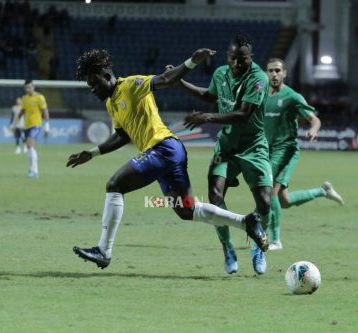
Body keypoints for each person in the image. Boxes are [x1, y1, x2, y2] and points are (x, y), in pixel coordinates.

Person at [67, 48, 268, 270]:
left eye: (94, 82)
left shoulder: (131, 85)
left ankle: (104, 250)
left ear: (106, 75)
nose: (93, 89)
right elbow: (123, 136)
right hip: (168, 153)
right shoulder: (110, 103)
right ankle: (246, 222)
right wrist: (92, 153)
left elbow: (164, 79)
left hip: (164, 148)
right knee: (186, 210)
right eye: (89, 86)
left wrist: (192, 61)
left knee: (115, 185)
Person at [168, 33, 273, 275]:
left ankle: (258, 244)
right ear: (228, 56)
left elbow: (243, 114)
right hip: (226, 146)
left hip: (253, 147)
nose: (237, 64)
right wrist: (180, 83)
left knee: (265, 202)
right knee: (215, 197)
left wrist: (207, 117)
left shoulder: (258, 78)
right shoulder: (220, 74)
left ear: (251, 58)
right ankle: (227, 247)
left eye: (242, 60)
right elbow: (208, 95)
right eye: (233, 59)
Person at [264, 58, 344, 251]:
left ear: (285, 73)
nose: (274, 74)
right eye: (270, 71)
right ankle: (322, 191)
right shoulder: (260, 94)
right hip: (267, 151)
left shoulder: (292, 96)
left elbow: (314, 119)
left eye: (277, 71)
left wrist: (314, 129)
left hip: (286, 150)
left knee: (269, 190)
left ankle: (275, 240)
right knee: (284, 202)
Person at [11, 80, 50, 178]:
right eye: (26, 88)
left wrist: (47, 126)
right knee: (30, 148)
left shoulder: (40, 97)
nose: (27, 89)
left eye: (29, 87)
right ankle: (32, 170)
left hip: (36, 125)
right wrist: (14, 124)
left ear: (33, 87)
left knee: (29, 143)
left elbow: (45, 111)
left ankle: (35, 171)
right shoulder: (24, 99)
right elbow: (21, 112)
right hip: (27, 126)